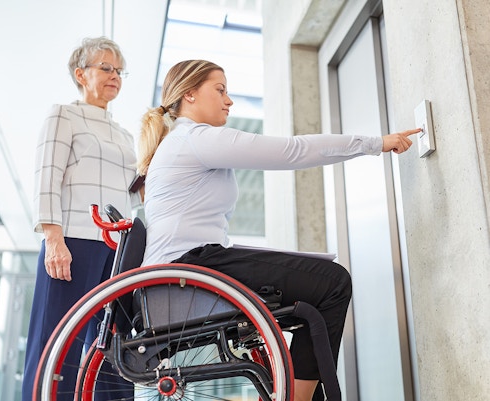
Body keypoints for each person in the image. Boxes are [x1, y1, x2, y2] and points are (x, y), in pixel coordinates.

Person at [137, 59, 420, 401]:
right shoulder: (193, 138)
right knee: (332, 282)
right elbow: (292, 151)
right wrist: (375, 143)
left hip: (191, 266)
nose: (229, 101)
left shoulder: (185, 142)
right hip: (190, 269)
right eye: (220, 90)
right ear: (190, 94)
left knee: (310, 302)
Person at [22, 37, 140, 401]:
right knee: (57, 341)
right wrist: (52, 239)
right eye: (106, 68)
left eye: (119, 71)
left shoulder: (124, 133)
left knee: (113, 346)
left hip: (116, 248)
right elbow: (47, 176)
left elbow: (133, 192)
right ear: (80, 74)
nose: (114, 76)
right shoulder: (63, 114)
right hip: (73, 240)